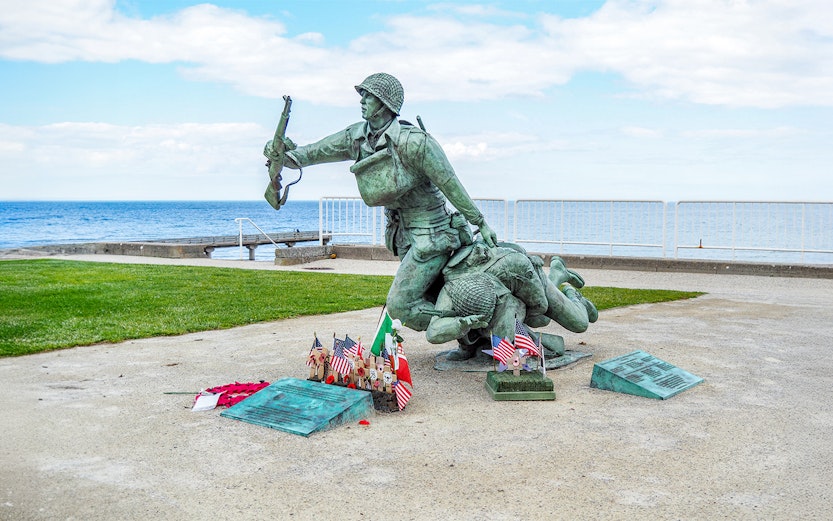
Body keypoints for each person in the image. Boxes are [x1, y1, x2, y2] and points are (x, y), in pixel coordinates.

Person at [265, 73, 498, 331]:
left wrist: (480, 222)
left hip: (432, 234)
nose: (362, 101)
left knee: (400, 307)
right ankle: (471, 335)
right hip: (402, 236)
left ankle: (479, 323)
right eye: (362, 95)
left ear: (385, 103)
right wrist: (282, 156)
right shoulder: (356, 137)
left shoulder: (415, 142)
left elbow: (450, 184)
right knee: (430, 293)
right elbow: (311, 153)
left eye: (368, 96)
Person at [425, 240, 597, 360]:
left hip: (532, 278)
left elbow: (540, 306)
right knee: (506, 331)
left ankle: (568, 289)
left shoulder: (512, 266)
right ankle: (558, 275)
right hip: (503, 295)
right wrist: (461, 324)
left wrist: (524, 325)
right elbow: (433, 332)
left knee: (576, 323)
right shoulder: (451, 289)